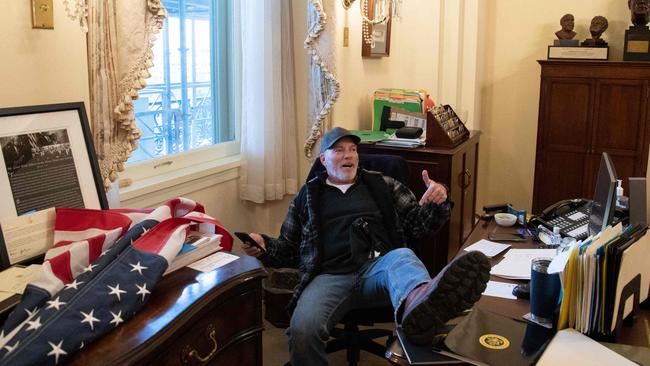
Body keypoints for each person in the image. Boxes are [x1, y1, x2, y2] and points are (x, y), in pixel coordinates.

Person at [241, 127, 490, 365]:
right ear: (323, 160)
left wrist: (438, 201)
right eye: (339, 150)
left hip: (378, 270)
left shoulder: (382, 184)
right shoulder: (308, 195)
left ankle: (420, 306)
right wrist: (265, 246)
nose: (348, 155)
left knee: (402, 255)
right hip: (328, 276)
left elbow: (418, 226)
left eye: (352, 149)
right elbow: (288, 248)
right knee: (302, 330)